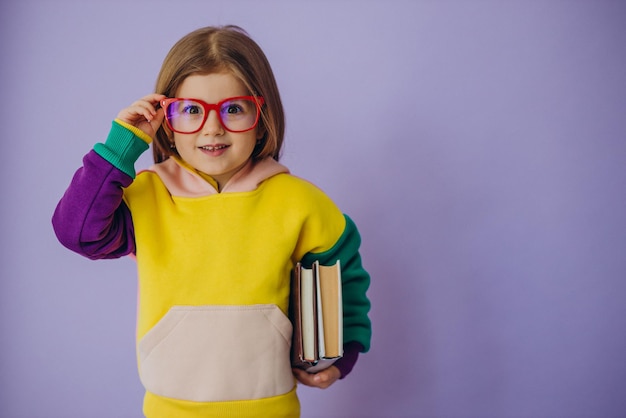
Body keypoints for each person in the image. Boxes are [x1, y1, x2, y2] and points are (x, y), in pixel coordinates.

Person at [52, 25, 371, 418]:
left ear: (262, 114)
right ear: (165, 119)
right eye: (191, 110)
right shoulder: (148, 195)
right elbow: (77, 233)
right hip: (169, 409)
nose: (212, 127)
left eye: (233, 108)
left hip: (271, 408)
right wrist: (123, 145)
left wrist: (344, 356)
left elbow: (346, 280)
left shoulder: (300, 201)